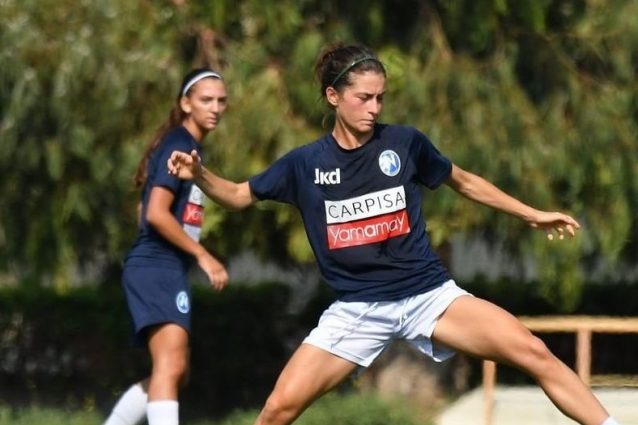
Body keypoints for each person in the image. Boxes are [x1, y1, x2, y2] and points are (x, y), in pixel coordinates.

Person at [167, 44, 620, 425]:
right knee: (276, 411)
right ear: (333, 96)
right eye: (364, 97)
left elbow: (464, 182)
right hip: (358, 310)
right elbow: (238, 195)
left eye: (380, 98)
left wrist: (530, 214)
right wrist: (201, 174)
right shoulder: (304, 164)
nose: (374, 108)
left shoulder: (404, 143)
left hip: (429, 296)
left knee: (534, 352)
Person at [104, 68, 229, 425]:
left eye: (221, 101)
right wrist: (203, 255)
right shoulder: (179, 145)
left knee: (176, 371)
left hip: (163, 267)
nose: (215, 108)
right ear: (185, 103)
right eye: (206, 100)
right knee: (170, 367)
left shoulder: (186, 145)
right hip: (156, 266)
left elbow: (144, 209)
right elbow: (156, 214)